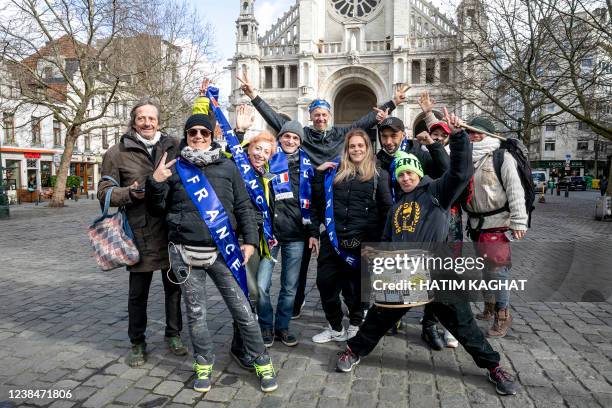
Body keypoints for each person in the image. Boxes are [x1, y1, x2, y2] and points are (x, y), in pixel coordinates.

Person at [335, 109, 518, 396]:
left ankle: (493, 366)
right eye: (401, 173)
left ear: (418, 173)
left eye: (410, 172)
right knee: (378, 320)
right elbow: (386, 241)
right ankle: (352, 351)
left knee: (464, 326)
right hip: (405, 275)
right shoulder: (396, 208)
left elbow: (459, 172)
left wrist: (457, 137)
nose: (406, 177)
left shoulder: (436, 192)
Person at [237, 70, 407, 319]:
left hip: (334, 198)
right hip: (306, 196)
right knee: (303, 260)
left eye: (324, 115)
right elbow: (276, 120)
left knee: (332, 257)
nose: (320, 118)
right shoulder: (302, 136)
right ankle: (296, 300)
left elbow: (365, 122)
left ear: (330, 117)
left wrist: (393, 102)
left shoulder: (341, 134)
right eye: (316, 115)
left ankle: (354, 303)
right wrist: (254, 96)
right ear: (310, 117)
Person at [145, 113, 278, 393]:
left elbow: (243, 207)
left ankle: (261, 360)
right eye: (192, 132)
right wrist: (156, 182)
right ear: (186, 135)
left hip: (222, 252)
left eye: (204, 133)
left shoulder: (228, 167)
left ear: (211, 136)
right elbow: (157, 209)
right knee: (196, 314)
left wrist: (251, 242)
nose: (198, 137)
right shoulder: (175, 167)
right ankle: (203, 363)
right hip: (184, 253)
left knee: (242, 310)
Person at [97, 98, 186, 368]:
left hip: (172, 232)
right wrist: (130, 193)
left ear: (159, 122)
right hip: (138, 234)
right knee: (138, 294)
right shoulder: (117, 152)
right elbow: (104, 193)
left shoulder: (174, 146)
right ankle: (137, 342)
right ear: (133, 121)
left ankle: (174, 334)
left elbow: (206, 144)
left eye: (152, 118)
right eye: (141, 118)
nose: (147, 123)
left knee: (174, 289)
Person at [312, 129, 393, 343]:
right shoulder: (335, 172)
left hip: (363, 242)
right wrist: (319, 175)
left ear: (367, 148)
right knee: (325, 283)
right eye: (352, 146)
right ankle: (335, 326)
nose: (356, 149)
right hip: (333, 239)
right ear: (346, 150)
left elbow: (386, 210)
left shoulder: (379, 174)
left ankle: (356, 323)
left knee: (356, 289)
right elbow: (320, 204)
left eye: (360, 146)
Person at [255, 121, 320, 347]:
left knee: (289, 286)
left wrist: (313, 232)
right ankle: (265, 326)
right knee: (261, 285)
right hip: (270, 233)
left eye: (295, 138)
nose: (291, 141)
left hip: (297, 235)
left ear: (300, 142)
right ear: (280, 138)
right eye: (287, 136)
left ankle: (282, 326)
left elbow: (314, 203)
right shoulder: (268, 162)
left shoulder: (308, 166)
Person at [464, 116, 527, 338]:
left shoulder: (502, 157)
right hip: (475, 224)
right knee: (485, 268)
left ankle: (503, 313)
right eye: (471, 132)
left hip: (498, 223)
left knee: (498, 270)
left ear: (489, 134)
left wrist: (519, 221)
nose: (474, 136)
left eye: (479, 132)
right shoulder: (468, 157)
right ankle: (489, 305)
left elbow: (515, 189)